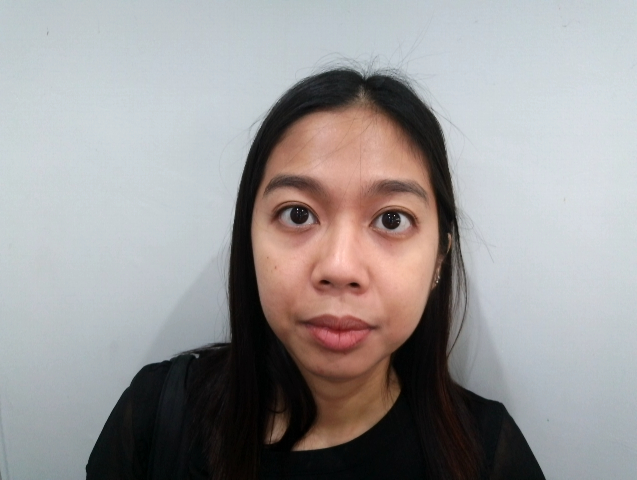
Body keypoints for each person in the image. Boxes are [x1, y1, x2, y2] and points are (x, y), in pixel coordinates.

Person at [87, 68, 545, 480]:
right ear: (249, 237)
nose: (339, 268)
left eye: (391, 220)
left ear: (440, 257)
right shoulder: (155, 416)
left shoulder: (488, 457)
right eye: (298, 214)